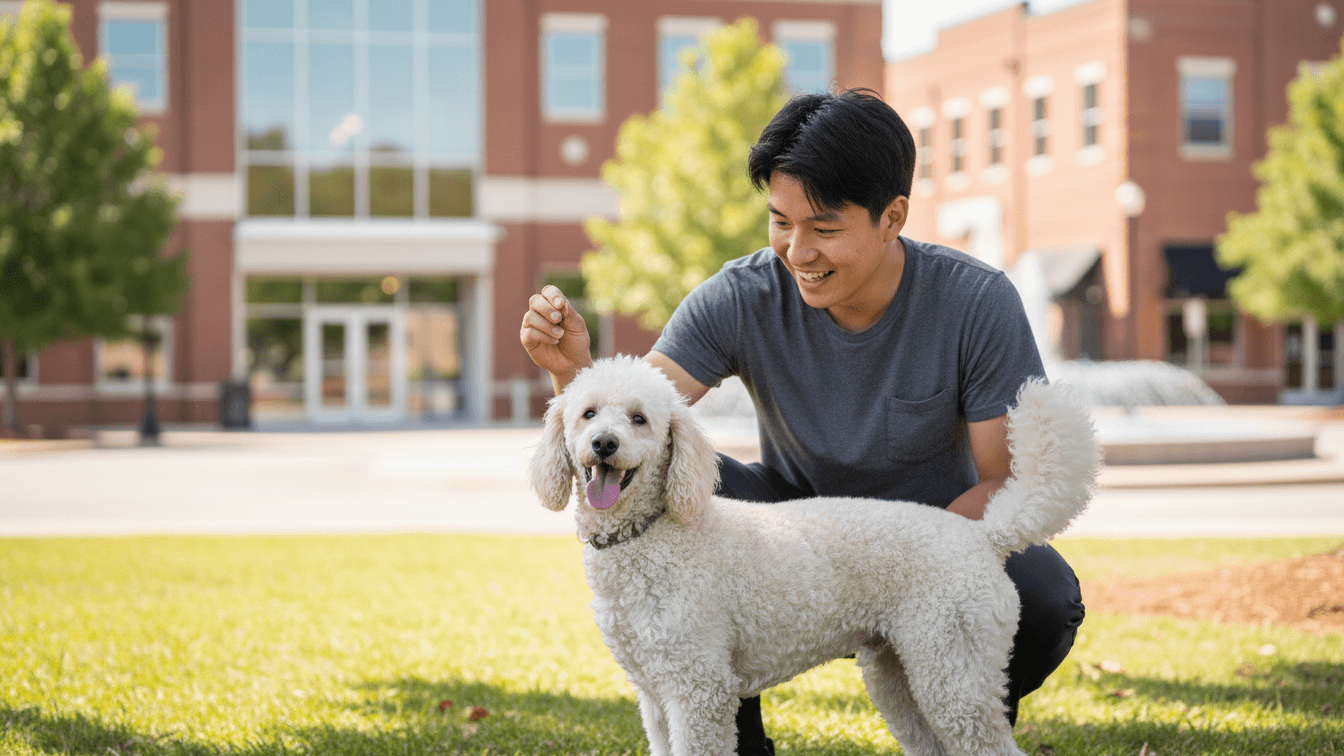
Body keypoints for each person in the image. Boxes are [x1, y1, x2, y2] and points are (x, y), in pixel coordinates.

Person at [519, 88, 1084, 756]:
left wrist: (900, 563)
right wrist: (572, 371)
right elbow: (638, 420)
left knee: (1044, 595)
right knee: (696, 478)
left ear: (891, 217)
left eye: (823, 227)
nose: (796, 250)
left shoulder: (977, 300)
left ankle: (957, 711)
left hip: (936, 533)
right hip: (788, 538)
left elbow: (1003, 479)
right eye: (779, 221)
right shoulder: (742, 292)